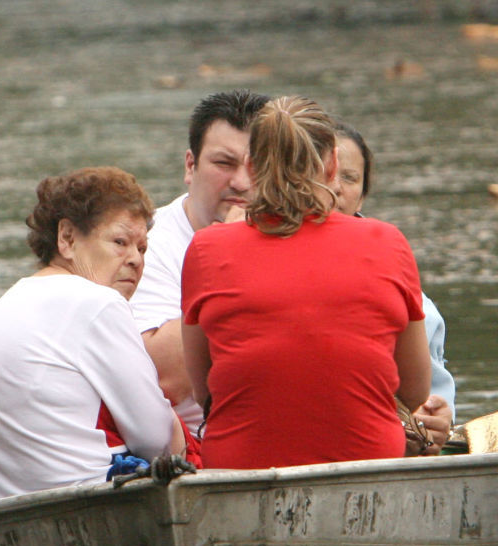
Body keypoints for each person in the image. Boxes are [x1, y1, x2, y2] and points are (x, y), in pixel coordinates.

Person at [182, 95, 432, 469]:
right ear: (333, 165)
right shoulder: (387, 241)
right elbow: (414, 390)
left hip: (239, 471)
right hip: (370, 466)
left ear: (251, 166)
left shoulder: (206, 249)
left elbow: (206, 391)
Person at [0, 167, 184, 506]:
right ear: (67, 238)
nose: (136, 260)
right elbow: (158, 441)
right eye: (120, 242)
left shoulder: (10, 301)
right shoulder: (98, 304)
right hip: (81, 505)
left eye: (142, 248)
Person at [130, 90, 269, 432]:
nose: (242, 182)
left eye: (258, 166)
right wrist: (231, 254)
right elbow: (168, 379)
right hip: (197, 449)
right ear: (190, 166)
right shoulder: (147, 245)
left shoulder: (306, 235)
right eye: (225, 164)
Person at [331, 120, 454, 453]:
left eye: (349, 178)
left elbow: (431, 404)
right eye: (323, 174)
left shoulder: (399, 277)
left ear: (362, 195)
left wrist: (436, 420)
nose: (336, 189)